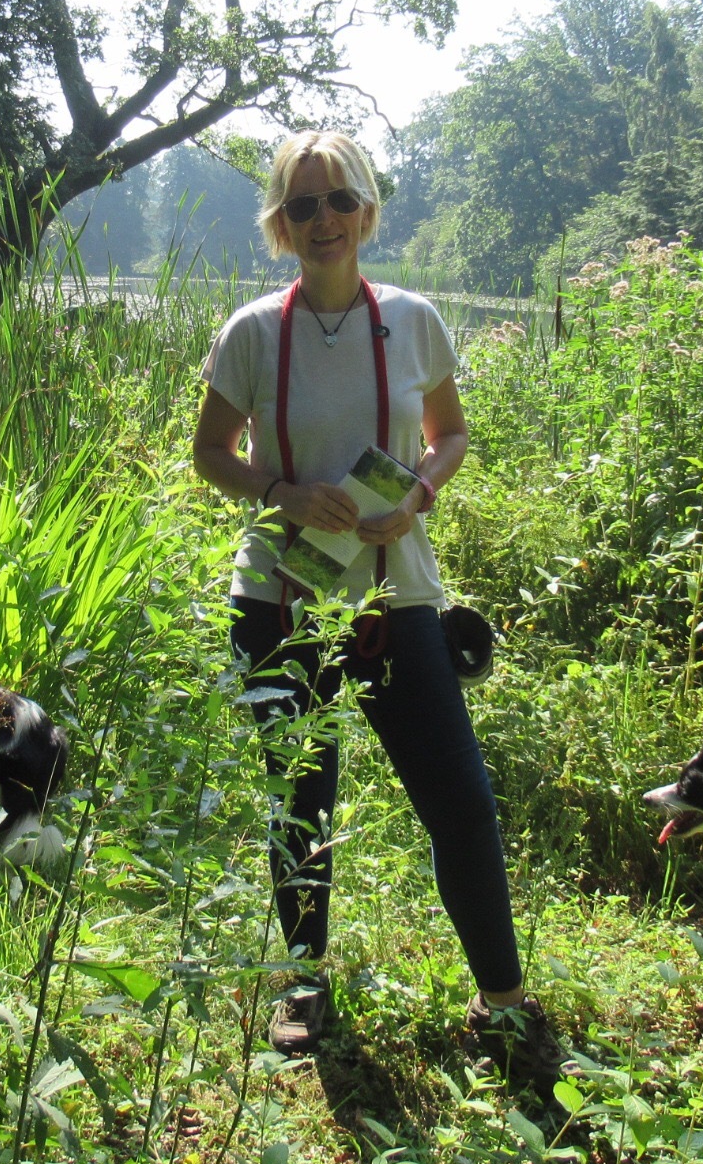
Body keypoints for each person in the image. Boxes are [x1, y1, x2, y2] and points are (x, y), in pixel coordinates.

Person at [190, 130, 565, 1081]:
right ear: (281, 223)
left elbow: (450, 434)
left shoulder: (413, 320)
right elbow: (210, 456)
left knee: (461, 802)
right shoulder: (252, 333)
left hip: (397, 599)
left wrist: (420, 494)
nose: (324, 219)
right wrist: (281, 494)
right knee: (300, 803)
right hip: (282, 603)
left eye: (339, 199)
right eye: (302, 204)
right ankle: (302, 982)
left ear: (366, 210)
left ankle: (504, 1000)